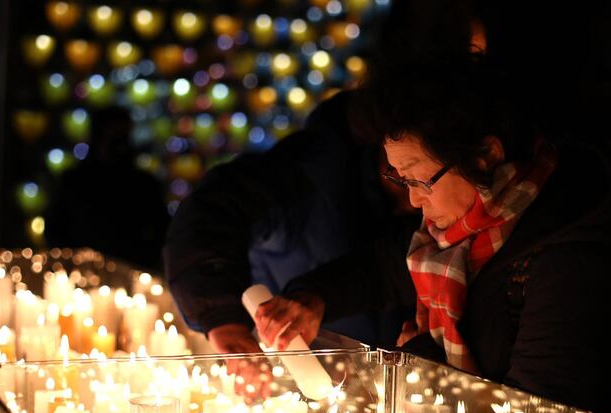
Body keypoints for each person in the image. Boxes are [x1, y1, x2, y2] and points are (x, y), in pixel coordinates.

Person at [254, 53, 611, 413]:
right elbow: (381, 271)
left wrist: (421, 366)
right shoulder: (454, 236)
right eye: (401, 179)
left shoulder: (568, 268)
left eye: (421, 178)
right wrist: (311, 298)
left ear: (484, 156)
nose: (412, 199)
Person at [163, 90, 421, 355]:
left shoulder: (435, 216)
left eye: (427, 180)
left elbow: (391, 271)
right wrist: (223, 319)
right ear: (382, 141)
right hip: (300, 361)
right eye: (406, 178)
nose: (418, 199)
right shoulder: (308, 174)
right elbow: (211, 215)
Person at [48, 107, 169, 271]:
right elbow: (56, 229)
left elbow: (161, 231)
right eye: (114, 138)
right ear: (98, 138)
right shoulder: (74, 181)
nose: (120, 146)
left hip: (130, 273)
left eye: (123, 138)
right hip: (82, 273)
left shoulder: (143, 184)